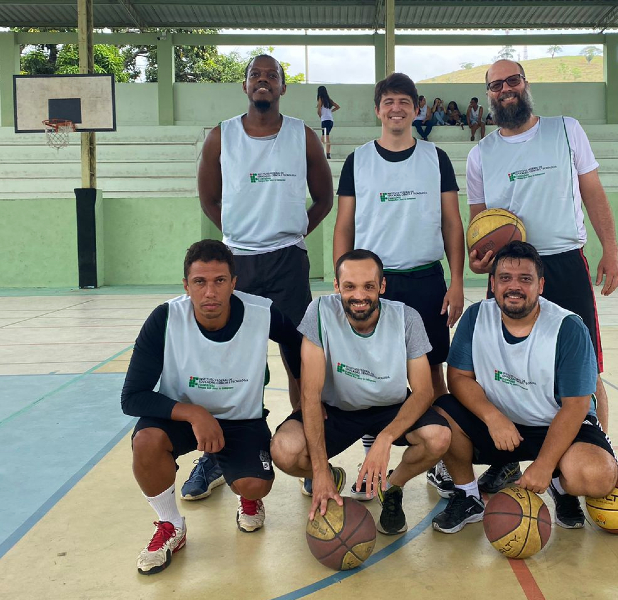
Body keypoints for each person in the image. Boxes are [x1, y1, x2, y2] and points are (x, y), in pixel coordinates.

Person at [466, 59, 618, 527]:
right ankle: (511, 456)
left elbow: (592, 191)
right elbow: (479, 227)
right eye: (497, 85)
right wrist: (479, 261)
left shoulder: (565, 130)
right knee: (505, 369)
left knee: (586, 370)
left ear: (525, 85)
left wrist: (609, 249)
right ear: (489, 94)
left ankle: (577, 468)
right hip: (511, 272)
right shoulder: (481, 155)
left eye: (513, 80)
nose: (506, 89)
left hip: (563, 260)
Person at [193, 54, 334, 502]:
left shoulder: (301, 135)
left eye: (272, 76)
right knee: (233, 361)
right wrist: (239, 237)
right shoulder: (222, 136)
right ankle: (217, 457)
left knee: (299, 358)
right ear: (245, 85)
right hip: (241, 264)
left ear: (282, 88)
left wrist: (289, 233)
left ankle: (312, 452)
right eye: (256, 75)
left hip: (288, 262)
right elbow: (209, 199)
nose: (264, 82)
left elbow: (325, 197)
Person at [121, 239, 303, 574]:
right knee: (145, 442)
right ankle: (171, 525)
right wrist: (195, 413)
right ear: (186, 285)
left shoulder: (261, 313)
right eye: (200, 282)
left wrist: (305, 398)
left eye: (220, 281)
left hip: (242, 420)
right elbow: (132, 396)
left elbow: (296, 342)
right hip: (184, 419)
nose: (210, 293)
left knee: (256, 484)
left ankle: (243, 490)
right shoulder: (166, 318)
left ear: (234, 283)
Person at [333, 72, 464, 499]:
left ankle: (443, 461)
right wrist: (342, 278)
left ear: (416, 108)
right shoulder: (357, 160)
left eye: (404, 102)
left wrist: (458, 280)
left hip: (426, 279)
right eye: (388, 101)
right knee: (375, 372)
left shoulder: (435, 158)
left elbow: (451, 222)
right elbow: (344, 225)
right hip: (373, 287)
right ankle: (375, 458)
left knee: (433, 373)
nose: (396, 108)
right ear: (378, 109)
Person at [432, 241, 618, 533]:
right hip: (500, 425)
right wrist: (493, 417)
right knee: (440, 417)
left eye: (525, 279)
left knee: (597, 477)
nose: (514, 286)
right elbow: (457, 378)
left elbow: (576, 405)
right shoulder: (476, 316)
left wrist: (544, 465)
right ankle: (467, 495)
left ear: (541, 285)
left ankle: (561, 485)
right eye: (505, 278)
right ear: (492, 284)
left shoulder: (567, 327)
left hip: (554, 424)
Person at [270, 250, 452, 535]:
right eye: (350, 286)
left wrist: (386, 438)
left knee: (439, 438)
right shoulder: (320, 312)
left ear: (382, 286)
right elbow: (309, 393)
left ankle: (392, 488)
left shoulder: (406, 318)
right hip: (338, 409)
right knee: (283, 451)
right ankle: (331, 476)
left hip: (390, 405)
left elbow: (423, 391)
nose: (359, 295)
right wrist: (319, 472)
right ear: (336, 287)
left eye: (368, 286)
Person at [317, 85, 340, 159]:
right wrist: (331, 111)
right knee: (323, 137)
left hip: (325, 120)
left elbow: (319, 110)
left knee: (326, 137)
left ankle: (327, 153)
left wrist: (320, 115)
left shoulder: (321, 98)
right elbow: (337, 106)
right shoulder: (329, 100)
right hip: (330, 120)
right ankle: (323, 152)